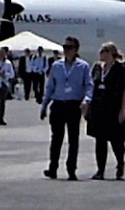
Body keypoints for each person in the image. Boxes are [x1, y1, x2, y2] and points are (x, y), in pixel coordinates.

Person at [40, 36, 93, 180]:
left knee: (73, 138)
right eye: (65, 47)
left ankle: (71, 169)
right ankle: (53, 168)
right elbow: (50, 87)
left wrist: (86, 101)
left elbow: (89, 85)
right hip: (58, 104)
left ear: (76, 50)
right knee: (56, 138)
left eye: (70, 47)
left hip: (73, 105)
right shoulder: (56, 66)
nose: (66, 50)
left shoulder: (83, 66)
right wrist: (44, 105)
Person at [86, 42, 125, 180]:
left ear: (111, 53)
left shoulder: (120, 69)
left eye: (104, 51)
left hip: (114, 108)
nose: (101, 54)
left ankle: (120, 163)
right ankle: (100, 170)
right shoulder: (97, 68)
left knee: (116, 139)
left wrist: (123, 108)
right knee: (100, 139)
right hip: (99, 108)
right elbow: (91, 85)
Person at [0, 48, 15, 126]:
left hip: (4, 83)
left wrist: (5, 74)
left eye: (3, 53)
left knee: (2, 101)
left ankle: (1, 118)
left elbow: (12, 74)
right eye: (0, 52)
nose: (1, 54)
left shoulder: (8, 63)